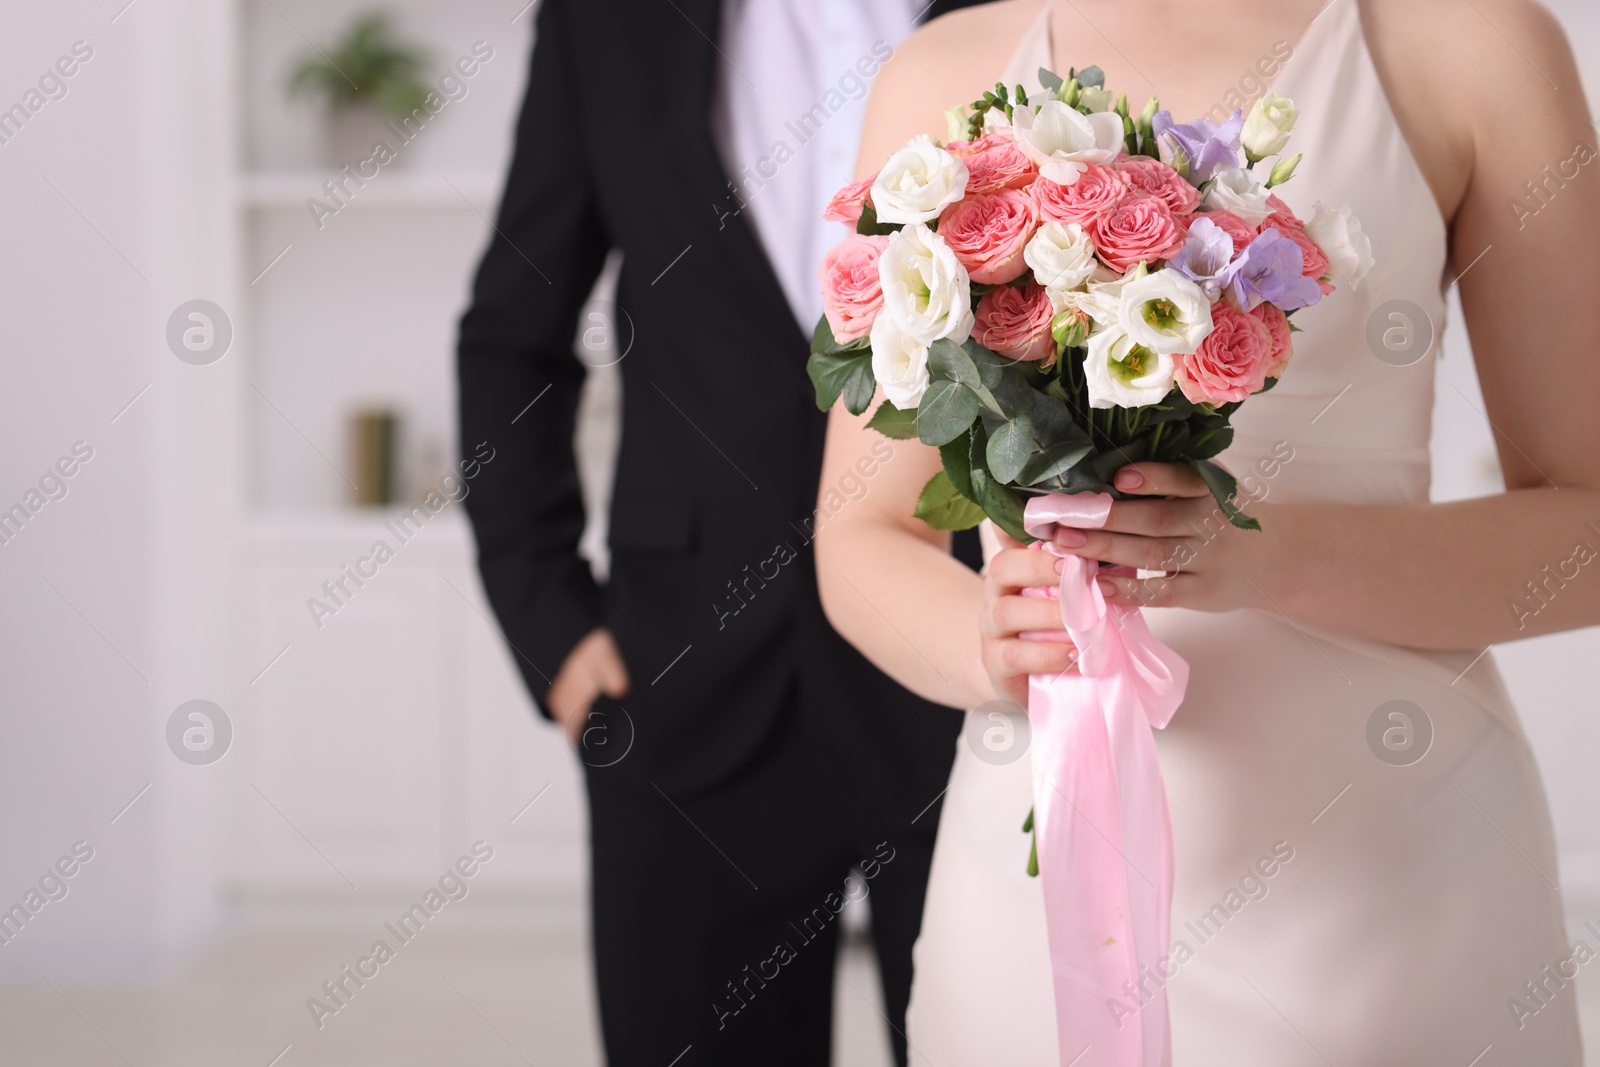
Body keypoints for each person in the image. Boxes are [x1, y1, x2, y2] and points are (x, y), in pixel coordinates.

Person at [815, 0, 1599, 1062]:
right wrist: (985, 639)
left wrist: (1257, 551)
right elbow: (861, 532)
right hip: (1035, 883)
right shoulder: (939, 71)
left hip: (1389, 896)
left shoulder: (1468, 43)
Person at [456, 1, 988, 1064]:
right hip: (680, 684)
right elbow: (512, 336)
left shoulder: (1013, 16)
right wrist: (551, 626)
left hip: (967, 671)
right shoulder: (602, 25)